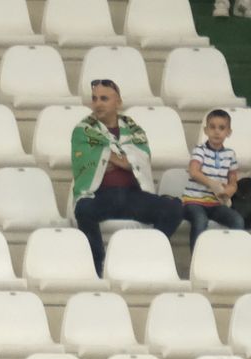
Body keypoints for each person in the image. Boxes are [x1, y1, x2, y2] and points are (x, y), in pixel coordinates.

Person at [70, 79, 183, 276]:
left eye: (104, 98)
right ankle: (98, 265)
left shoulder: (133, 128)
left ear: (118, 102)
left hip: (133, 195)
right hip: (101, 195)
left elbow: (143, 157)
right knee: (83, 210)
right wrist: (124, 160)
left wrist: (107, 157)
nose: (98, 103)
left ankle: (147, 257)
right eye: (94, 99)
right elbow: (87, 159)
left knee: (174, 209)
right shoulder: (83, 130)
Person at [181, 109, 242, 248]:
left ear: (229, 132)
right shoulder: (200, 150)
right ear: (206, 130)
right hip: (194, 202)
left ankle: (232, 254)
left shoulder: (230, 154)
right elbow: (193, 172)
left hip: (216, 204)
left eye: (222, 128)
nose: (216, 131)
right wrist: (212, 184)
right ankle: (197, 257)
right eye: (212, 127)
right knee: (200, 220)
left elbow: (233, 179)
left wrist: (231, 189)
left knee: (237, 220)